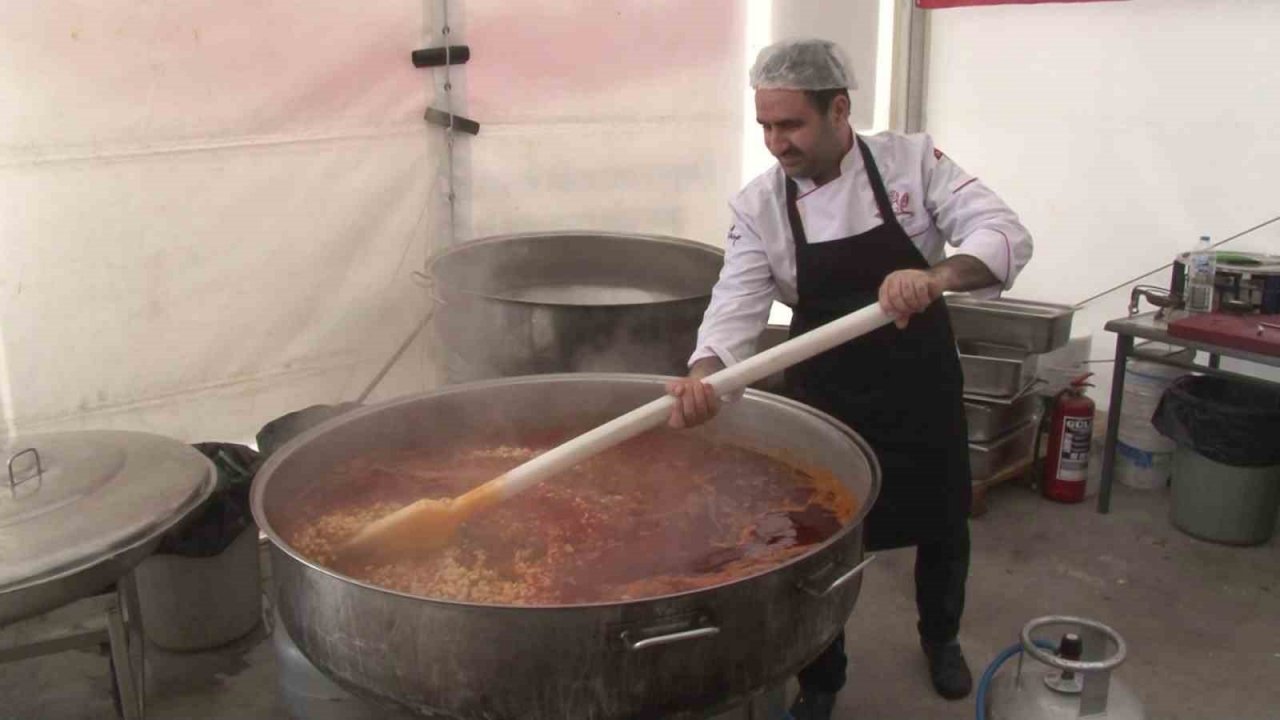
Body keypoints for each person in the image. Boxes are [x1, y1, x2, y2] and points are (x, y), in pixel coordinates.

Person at [666, 39, 1033, 719]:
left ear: (839, 110)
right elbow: (735, 304)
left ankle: (941, 638)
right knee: (815, 538)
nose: (776, 143)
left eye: (791, 124)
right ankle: (822, 676)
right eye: (765, 126)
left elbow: (1003, 232)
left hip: (919, 379)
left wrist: (935, 276)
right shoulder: (760, 206)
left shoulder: (911, 163)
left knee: (943, 519)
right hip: (826, 392)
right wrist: (705, 373)